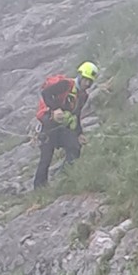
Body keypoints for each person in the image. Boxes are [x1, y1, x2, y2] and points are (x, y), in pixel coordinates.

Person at [33, 61, 97, 189]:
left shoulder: (83, 96)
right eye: (86, 80)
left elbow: (76, 114)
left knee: (75, 147)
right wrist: (55, 108)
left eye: (90, 81)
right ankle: (39, 188)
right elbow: (46, 94)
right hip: (50, 125)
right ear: (80, 75)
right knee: (46, 159)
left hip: (63, 128)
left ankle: (65, 178)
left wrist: (79, 134)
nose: (87, 84)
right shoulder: (65, 84)